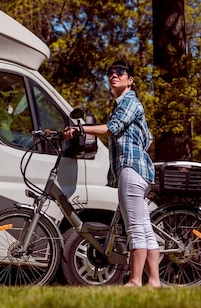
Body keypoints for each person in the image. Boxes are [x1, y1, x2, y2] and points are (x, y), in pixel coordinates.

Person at [63, 60, 160, 287]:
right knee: (144, 227)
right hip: (140, 171)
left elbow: (111, 129)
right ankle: (154, 280)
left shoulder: (128, 101)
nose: (113, 75)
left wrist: (79, 129)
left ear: (130, 80)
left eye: (120, 72)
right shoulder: (127, 104)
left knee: (135, 227)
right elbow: (149, 138)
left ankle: (136, 281)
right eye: (110, 72)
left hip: (131, 169)